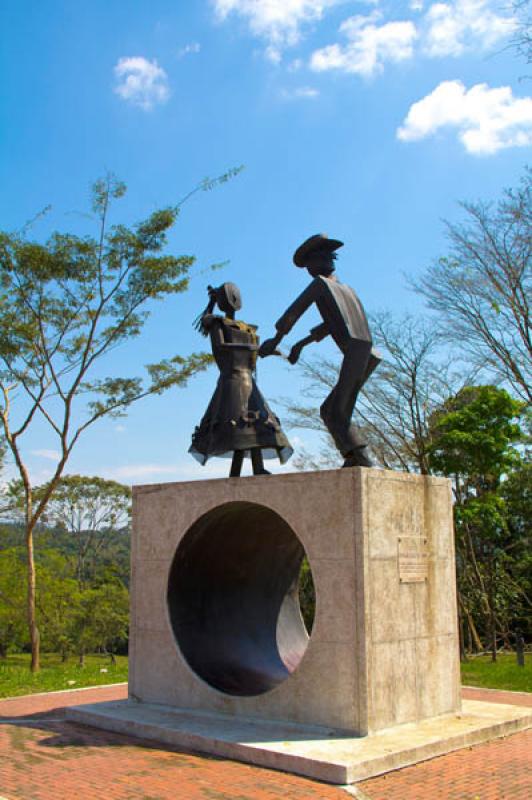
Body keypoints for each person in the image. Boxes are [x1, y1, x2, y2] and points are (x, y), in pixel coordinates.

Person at [259, 234, 380, 468]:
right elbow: (331, 325)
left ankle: (362, 459)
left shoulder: (321, 285)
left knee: (335, 412)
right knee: (332, 409)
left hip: (356, 351)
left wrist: (275, 341)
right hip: (369, 353)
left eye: (308, 266)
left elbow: (292, 314)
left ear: (317, 262)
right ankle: (356, 458)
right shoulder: (346, 289)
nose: (308, 272)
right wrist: (298, 346)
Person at [189, 282, 293, 477]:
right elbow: (221, 347)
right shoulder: (216, 324)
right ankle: (239, 471)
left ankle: (255, 468)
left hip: (248, 380)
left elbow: (256, 353)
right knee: (237, 425)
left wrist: (268, 351)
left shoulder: (247, 329)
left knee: (252, 425)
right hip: (231, 379)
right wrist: (255, 349)